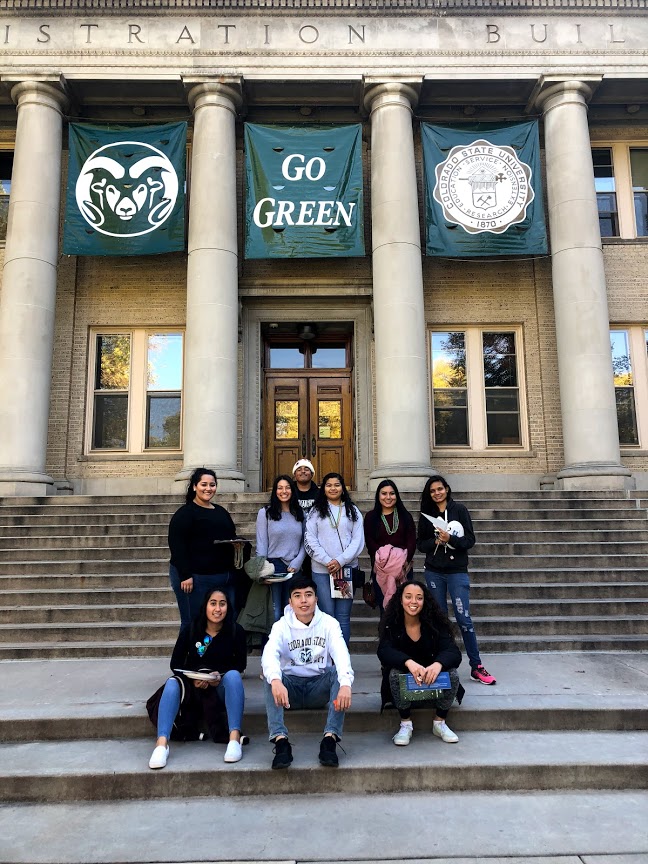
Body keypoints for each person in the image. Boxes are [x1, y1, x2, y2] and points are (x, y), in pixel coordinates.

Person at [147, 588, 247, 768]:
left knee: (233, 676)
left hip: (219, 686)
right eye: (213, 603)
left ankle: (234, 739)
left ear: (227, 607)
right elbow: (175, 663)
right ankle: (161, 745)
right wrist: (193, 678)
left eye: (222, 604)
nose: (218, 609)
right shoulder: (192, 629)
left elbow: (240, 664)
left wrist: (218, 676)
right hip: (192, 686)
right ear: (205, 606)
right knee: (171, 683)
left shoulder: (235, 631)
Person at [261, 576, 354, 769]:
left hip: (317, 688)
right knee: (270, 674)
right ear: (290, 601)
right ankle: (280, 742)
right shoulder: (280, 626)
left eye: (308, 595)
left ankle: (329, 740)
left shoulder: (329, 623)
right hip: (289, 692)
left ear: (316, 599)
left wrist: (345, 683)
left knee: (339, 672)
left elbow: (341, 652)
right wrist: (276, 681)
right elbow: (269, 654)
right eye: (298, 596)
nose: (304, 600)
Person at [417, 475, 496, 685]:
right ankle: (442, 664)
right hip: (434, 572)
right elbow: (420, 545)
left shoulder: (459, 510)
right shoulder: (427, 515)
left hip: (457, 572)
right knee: (439, 620)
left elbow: (470, 540)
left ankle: (476, 665)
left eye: (440, 489)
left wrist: (450, 539)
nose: (437, 493)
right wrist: (435, 540)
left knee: (464, 619)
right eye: (432, 490)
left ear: (447, 489)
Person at [377, 581, 463, 745]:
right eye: (408, 597)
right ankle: (405, 724)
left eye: (419, 598)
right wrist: (408, 663)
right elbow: (383, 651)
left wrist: (437, 664)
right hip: (404, 690)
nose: (413, 602)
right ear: (401, 600)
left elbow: (453, 652)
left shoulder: (435, 624)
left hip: (433, 685)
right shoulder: (392, 624)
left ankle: (440, 722)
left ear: (425, 601)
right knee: (394, 674)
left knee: (452, 674)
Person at [168, 468, 242, 633]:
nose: (208, 488)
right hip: (194, 579)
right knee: (193, 622)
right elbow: (177, 546)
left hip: (222, 576)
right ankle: (187, 657)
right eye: (204, 484)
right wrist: (185, 575)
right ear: (194, 486)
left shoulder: (221, 512)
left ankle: (207, 654)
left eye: (212, 485)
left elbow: (230, 537)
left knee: (218, 623)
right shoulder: (185, 514)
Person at [304, 472, 365, 645]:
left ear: (343, 488)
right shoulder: (315, 512)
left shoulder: (353, 511)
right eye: (329, 485)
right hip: (321, 571)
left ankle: (342, 660)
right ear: (323, 489)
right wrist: (326, 560)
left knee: (343, 616)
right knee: (327, 615)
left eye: (337, 485)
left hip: (344, 571)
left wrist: (340, 561)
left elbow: (357, 541)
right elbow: (310, 539)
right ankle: (328, 660)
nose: (333, 488)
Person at [255, 474, 306, 621]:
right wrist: (262, 570)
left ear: (292, 490)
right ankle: (274, 644)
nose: (284, 491)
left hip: (294, 567)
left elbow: (305, 542)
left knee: (293, 610)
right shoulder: (265, 513)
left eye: (287, 487)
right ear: (275, 491)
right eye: (280, 488)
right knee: (276, 611)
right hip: (274, 566)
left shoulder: (300, 513)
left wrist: (298, 562)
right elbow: (262, 543)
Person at [363, 479, 417, 611]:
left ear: (396, 496)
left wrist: (403, 561)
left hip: (403, 570)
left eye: (392, 493)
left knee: (405, 610)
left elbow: (411, 541)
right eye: (384, 493)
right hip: (381, 570)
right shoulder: (371, 517)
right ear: (378, 496)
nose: (388, 497)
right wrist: (386, 563)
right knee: (386, 611)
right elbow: (370, 543)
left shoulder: (405, 516)